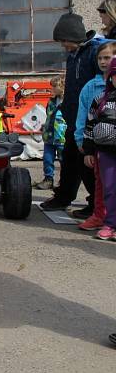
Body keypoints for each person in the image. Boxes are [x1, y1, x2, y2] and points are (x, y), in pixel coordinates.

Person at [41, 12, 101, 213]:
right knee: (69, 160)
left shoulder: (93, 53)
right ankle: (63, 197)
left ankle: (95, 204)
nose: (63, 46)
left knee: (86, 164)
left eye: (64, 41)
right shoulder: (73, 56)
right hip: (73, 118)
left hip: (88, 120)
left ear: (73, 36)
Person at [76, 41, 116, 231]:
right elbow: (85, 118)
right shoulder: (93, 88)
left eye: (107, 58)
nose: (103, 62)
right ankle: (100, 216)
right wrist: (83, 143)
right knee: (102, 186)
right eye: (100, 58)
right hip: (101, 148)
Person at [35, 75, 66, 191]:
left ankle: (64, 181)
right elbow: (49, 116)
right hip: (49, 136)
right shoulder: (52, 101)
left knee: (64, 160)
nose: (51, 88)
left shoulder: (68, 102)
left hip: (62, 137)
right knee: (47, 159)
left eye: (54, 86)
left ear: (62, 87)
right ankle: (48, 179)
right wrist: (45, 126)